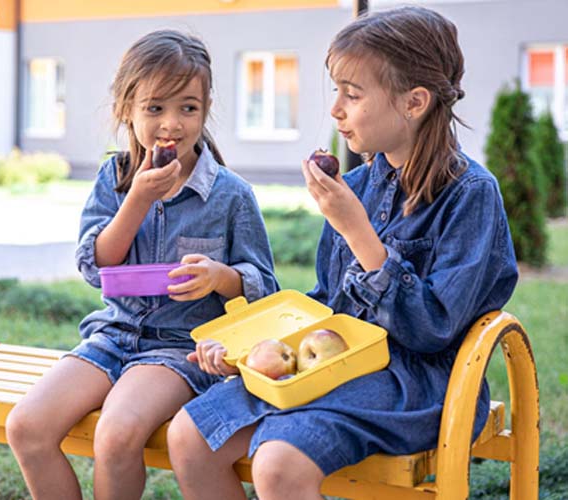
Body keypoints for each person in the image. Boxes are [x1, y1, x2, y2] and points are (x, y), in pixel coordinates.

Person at [167, 6, 519, 499]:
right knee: (190, 436)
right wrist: (250, 351)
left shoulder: (470, 195)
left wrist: (359, 233)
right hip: (336, 360)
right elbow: (326, 304)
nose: (335, 109)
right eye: (337, 92)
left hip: (416, 381)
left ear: (414, 102)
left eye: (352, 95)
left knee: (279, 463)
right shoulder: (354, 186)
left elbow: (432, 329)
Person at [5, 29, 278, 500]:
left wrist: (220, 277)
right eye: (155, 108)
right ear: (126, 109)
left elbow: (264, 288)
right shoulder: (114, 179)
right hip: (113, 335)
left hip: (179, 349)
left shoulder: (231, 195)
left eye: (187, 108)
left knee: (115, 434)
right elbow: (96, 267)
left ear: (206, 108)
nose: (171, 123)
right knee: (26, 426)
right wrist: (138, 197)